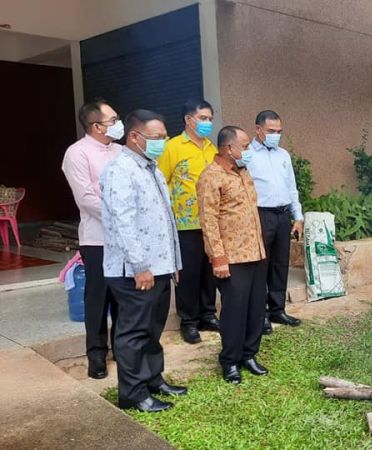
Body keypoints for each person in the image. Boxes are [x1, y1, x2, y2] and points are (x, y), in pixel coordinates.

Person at [101, 109, 186, 413]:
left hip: (159, 266)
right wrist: (140, 266)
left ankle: (153, 379)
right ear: (134, 137)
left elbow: (164, 218)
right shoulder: (120, 170)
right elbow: (124, 222)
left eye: (164, 137)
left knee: (153, 328)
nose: (162, 143)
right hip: (134, 270)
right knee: (134, 332)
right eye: (157, 138)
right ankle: (133, 394)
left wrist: (173, 260)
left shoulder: (151, 168)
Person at [197, 126, 268, 384]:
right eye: (246, 146)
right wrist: (218, 258)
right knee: (234, 311)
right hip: (232, 257)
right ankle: (230, 361)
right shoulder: (210, 177)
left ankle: (249, 354)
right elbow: (209, 220)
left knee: (255, 308)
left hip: (255, 253)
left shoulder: (243, 172)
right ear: (229, 148)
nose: (248, 151)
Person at [62, 99, 123, 380]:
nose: (118, 123)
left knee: (123, 297)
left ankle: (122, 350)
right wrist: (121, 217)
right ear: (97, 126)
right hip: (97, 239)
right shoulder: (77, 153)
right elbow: (86, 198)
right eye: (113, 119)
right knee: (98, 297)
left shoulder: (121, 152)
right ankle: (96, 355)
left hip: (125, 239)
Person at [158, 99, 219, 344]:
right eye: (202, 118)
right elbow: (161, 182)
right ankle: (189, 321)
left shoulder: (211, 148)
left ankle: (208, 315)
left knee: (209, 272)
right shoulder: (172, 147)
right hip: (184, 224)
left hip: (210, 223)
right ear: (188, 119)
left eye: (210, 119)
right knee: (188, 275)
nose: (207, 123)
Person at [246, 110, 303, 334]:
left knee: (280, 264)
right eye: (271, 131)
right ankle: (260, 316)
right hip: (260, 215)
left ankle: (277, 309)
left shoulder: (283, 155)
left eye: (279, 132)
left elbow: (292, 187)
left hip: (282, 216)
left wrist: (297, 216)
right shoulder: (247, 154)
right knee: (261, 266)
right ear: (258, 129)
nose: (275, 135)